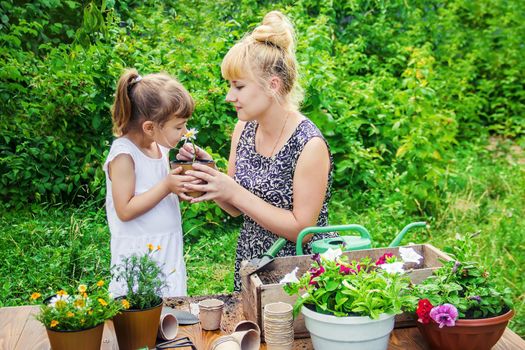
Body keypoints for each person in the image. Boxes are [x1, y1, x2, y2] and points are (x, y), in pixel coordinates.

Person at [177, 11, 337, 291]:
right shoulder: (244, 129)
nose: (230, 96)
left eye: (238, 86)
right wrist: (211, 177)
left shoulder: (309, 144)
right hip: (252, 262)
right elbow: (237, 210)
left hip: (298, 273)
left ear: (272, 86)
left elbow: (302, 228)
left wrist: (233, 191)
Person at [104, 69, 195, 297]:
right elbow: (124, 210)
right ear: (149, 127)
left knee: (171, 306)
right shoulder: (124, 155)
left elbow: (158, 194)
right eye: (178, 127)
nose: (184, 132)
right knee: (140, 311)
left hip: (168, 248)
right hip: (139, 254)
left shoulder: (159, 147)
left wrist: (180, 187)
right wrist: (166, 186)